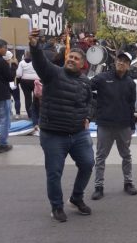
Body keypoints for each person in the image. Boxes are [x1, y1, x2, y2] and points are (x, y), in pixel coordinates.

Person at [30, 29, 95, 223]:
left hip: (78, 134)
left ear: (83, 64)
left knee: (87, 164)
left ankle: (76, 198)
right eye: (70, 56)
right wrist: (35, 46)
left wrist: (88, 117)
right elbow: (40, 63)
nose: (72, 59)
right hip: (53, 135)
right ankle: (56, 207)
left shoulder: (85, 82)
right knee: (54, 172)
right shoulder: (53, 74)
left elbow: (90, 103)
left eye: (76, 58)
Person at [91, 51, 137, 200]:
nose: (121, 63)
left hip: (124, 126)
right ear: (115, 62)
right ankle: (98, 186)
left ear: (129, 66)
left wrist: (132, 125)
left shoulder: (130, 83)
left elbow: (131, 105)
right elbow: (87, 87)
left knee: (126, 156)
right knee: (100, 157)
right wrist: (95, 106)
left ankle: (128, 183)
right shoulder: (103, 78)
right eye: (119, 60)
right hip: (105, 124)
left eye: (125, 61)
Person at [16, 50, 39, 123]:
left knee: (27, 98)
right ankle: (36, 113)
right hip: (36, 81)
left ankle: (29, 114)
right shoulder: (36, 62)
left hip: (25, 81)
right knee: (36, 98)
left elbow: (19, 74)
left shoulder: (21, 63)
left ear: (25, 55)